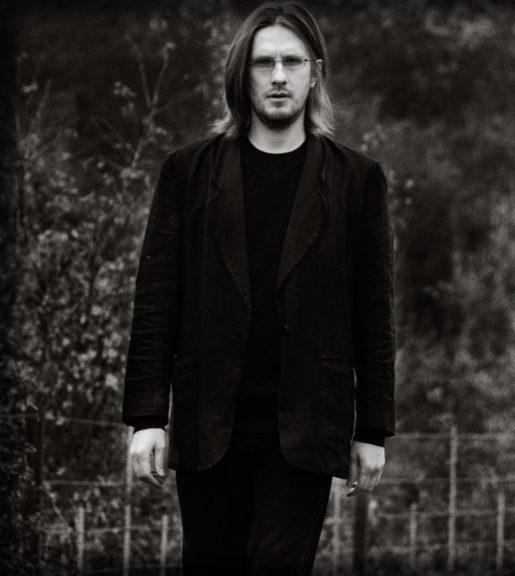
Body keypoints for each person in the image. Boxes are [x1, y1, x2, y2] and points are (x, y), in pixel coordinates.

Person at [120, 3, 395, 573]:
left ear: (315, 73)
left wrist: (372, 429)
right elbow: (155, 301)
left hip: (304, 430)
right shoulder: (187, 173)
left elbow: (374, 313)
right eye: (263, 62)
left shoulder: (357, 180)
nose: (278, 76)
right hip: (209, 424)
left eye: (293, 62)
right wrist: (147, 418)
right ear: (240, 75)